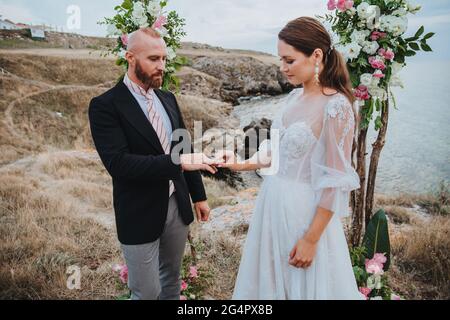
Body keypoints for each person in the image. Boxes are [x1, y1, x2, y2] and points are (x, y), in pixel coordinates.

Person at [217, 17, 364, 300]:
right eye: (280, 60)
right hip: (271, 206)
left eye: (289, 60)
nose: (282, 68)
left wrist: (310, 239)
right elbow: (278, 152)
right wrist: (238, 162)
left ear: (316, 55)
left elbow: (334, 181)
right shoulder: (293, 99)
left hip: (304, 213)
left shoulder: (337, 107)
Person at [88, 27, 217, 300]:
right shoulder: (105, 106)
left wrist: (199, 196)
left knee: (171, 282)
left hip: (176, 205)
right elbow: (120, 164)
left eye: (164, 59)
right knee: (146, 292)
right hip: (139, 211)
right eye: (154, 59)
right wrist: (178, 164)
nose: (162, 66)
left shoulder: (167, 98)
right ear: (130, 57)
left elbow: (183, 147)